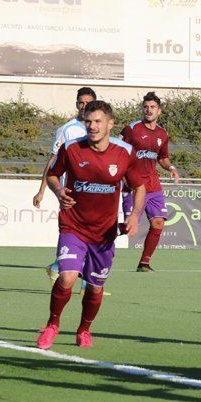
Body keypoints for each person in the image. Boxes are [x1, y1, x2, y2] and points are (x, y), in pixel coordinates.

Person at [36, 101, 146, 350]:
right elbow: (53, 174)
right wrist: (58, 190)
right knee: (67, 277)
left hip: (104, 233)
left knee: (95, 288)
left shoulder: (124, 152)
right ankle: (53, 325)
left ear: (110, 124)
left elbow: (139, 186)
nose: (92, 126)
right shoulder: (71, 148)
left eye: (98, 121)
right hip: (73, 226)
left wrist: (135, 215)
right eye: (88, 121)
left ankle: (84, 330)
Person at [33, 87, 96, 290]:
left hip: (96, 192)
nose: (84, 106)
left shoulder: (100, 128)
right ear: (76, 104)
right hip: (73, 193)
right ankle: (87, 284)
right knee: (80, 236)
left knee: (93, 236)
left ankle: (56, 266)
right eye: (81, 102)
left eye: (88, 102)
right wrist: (42, 190)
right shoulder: (68, 129)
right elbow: (52, 162)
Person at [119, 92, 179, 272]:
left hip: (153, 185)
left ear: (159, 111)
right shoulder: (132, 129)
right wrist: (123, 178)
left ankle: (144, 263)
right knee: (128, 227)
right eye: (146, 107)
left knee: (158, 223)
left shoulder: (162, 133)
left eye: (152, 107)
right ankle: (94, 239)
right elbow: (119, 153)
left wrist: (171, 168)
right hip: (134, 186)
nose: (149, 110)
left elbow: (163, 158)